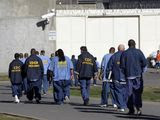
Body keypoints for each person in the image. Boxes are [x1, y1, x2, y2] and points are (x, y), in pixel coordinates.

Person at [120, 39, 147, 115]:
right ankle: (138, 108)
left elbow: (122, 66)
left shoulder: (125, 53)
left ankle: (131, 109)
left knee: (129, 93)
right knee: (137, 92)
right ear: (135, 44)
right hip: (138, 75)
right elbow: (144, 63)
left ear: (128, 45)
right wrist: (141, 70)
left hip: (128, 75)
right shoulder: (139, 52)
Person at [107, 44, 127, 112]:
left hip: (116, 76)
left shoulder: (114, 56)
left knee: (118, 92)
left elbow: (109, 67)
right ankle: (123, 105)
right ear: (124, 49)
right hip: (126, 77)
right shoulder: (127, 55)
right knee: (125, 92)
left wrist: (108, 76)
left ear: (118, 49)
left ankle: (121, 106)